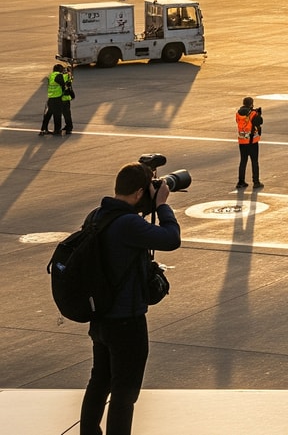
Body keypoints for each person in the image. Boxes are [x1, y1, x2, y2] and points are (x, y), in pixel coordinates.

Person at [79, 161, 182, 435]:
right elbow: (171, 239)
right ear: (138, 193)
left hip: (100, 317)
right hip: (126, 321)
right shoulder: (128, 224)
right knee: (124, 394)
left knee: (99, 381)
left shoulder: (96, 216)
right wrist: (161, 205)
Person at [235, 97, 264, 190]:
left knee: (243, 161)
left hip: (242, 141)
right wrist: (258, 114)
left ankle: (241, 181)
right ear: (251, 104)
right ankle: (256, 182)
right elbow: (260, 122)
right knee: (254, 162)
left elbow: (239, 122)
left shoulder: (238, 113)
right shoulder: (252, 114)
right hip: (252, 141)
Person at [40, 63, 69, 136]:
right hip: (57, 98)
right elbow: (63, 85)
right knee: (57, 115)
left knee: (48, 114)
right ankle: (57, 130)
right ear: (60, 70)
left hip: (51, 97)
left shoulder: (51, 76)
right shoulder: (59, 75)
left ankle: (43, 129)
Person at [61, 65, 76, 134]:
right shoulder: (68, 77)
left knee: (66, 114)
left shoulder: (65, 77)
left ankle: (69, 127)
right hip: (64, 98)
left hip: (64, 98)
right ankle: (68, 126)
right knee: (66, 114)